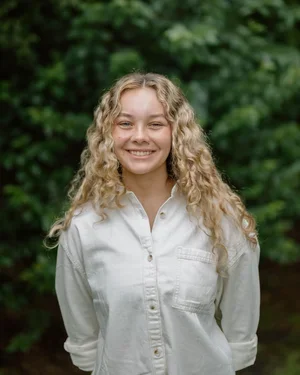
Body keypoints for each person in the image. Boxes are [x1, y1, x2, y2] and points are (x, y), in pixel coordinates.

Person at [47, 72, 260, 375]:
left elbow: (239, 341)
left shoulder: (222, 221)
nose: (139, 136)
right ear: (108, 133)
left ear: (177, 133)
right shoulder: (83, 228)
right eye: (125, 123)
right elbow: (85, 343)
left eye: (155, 124)